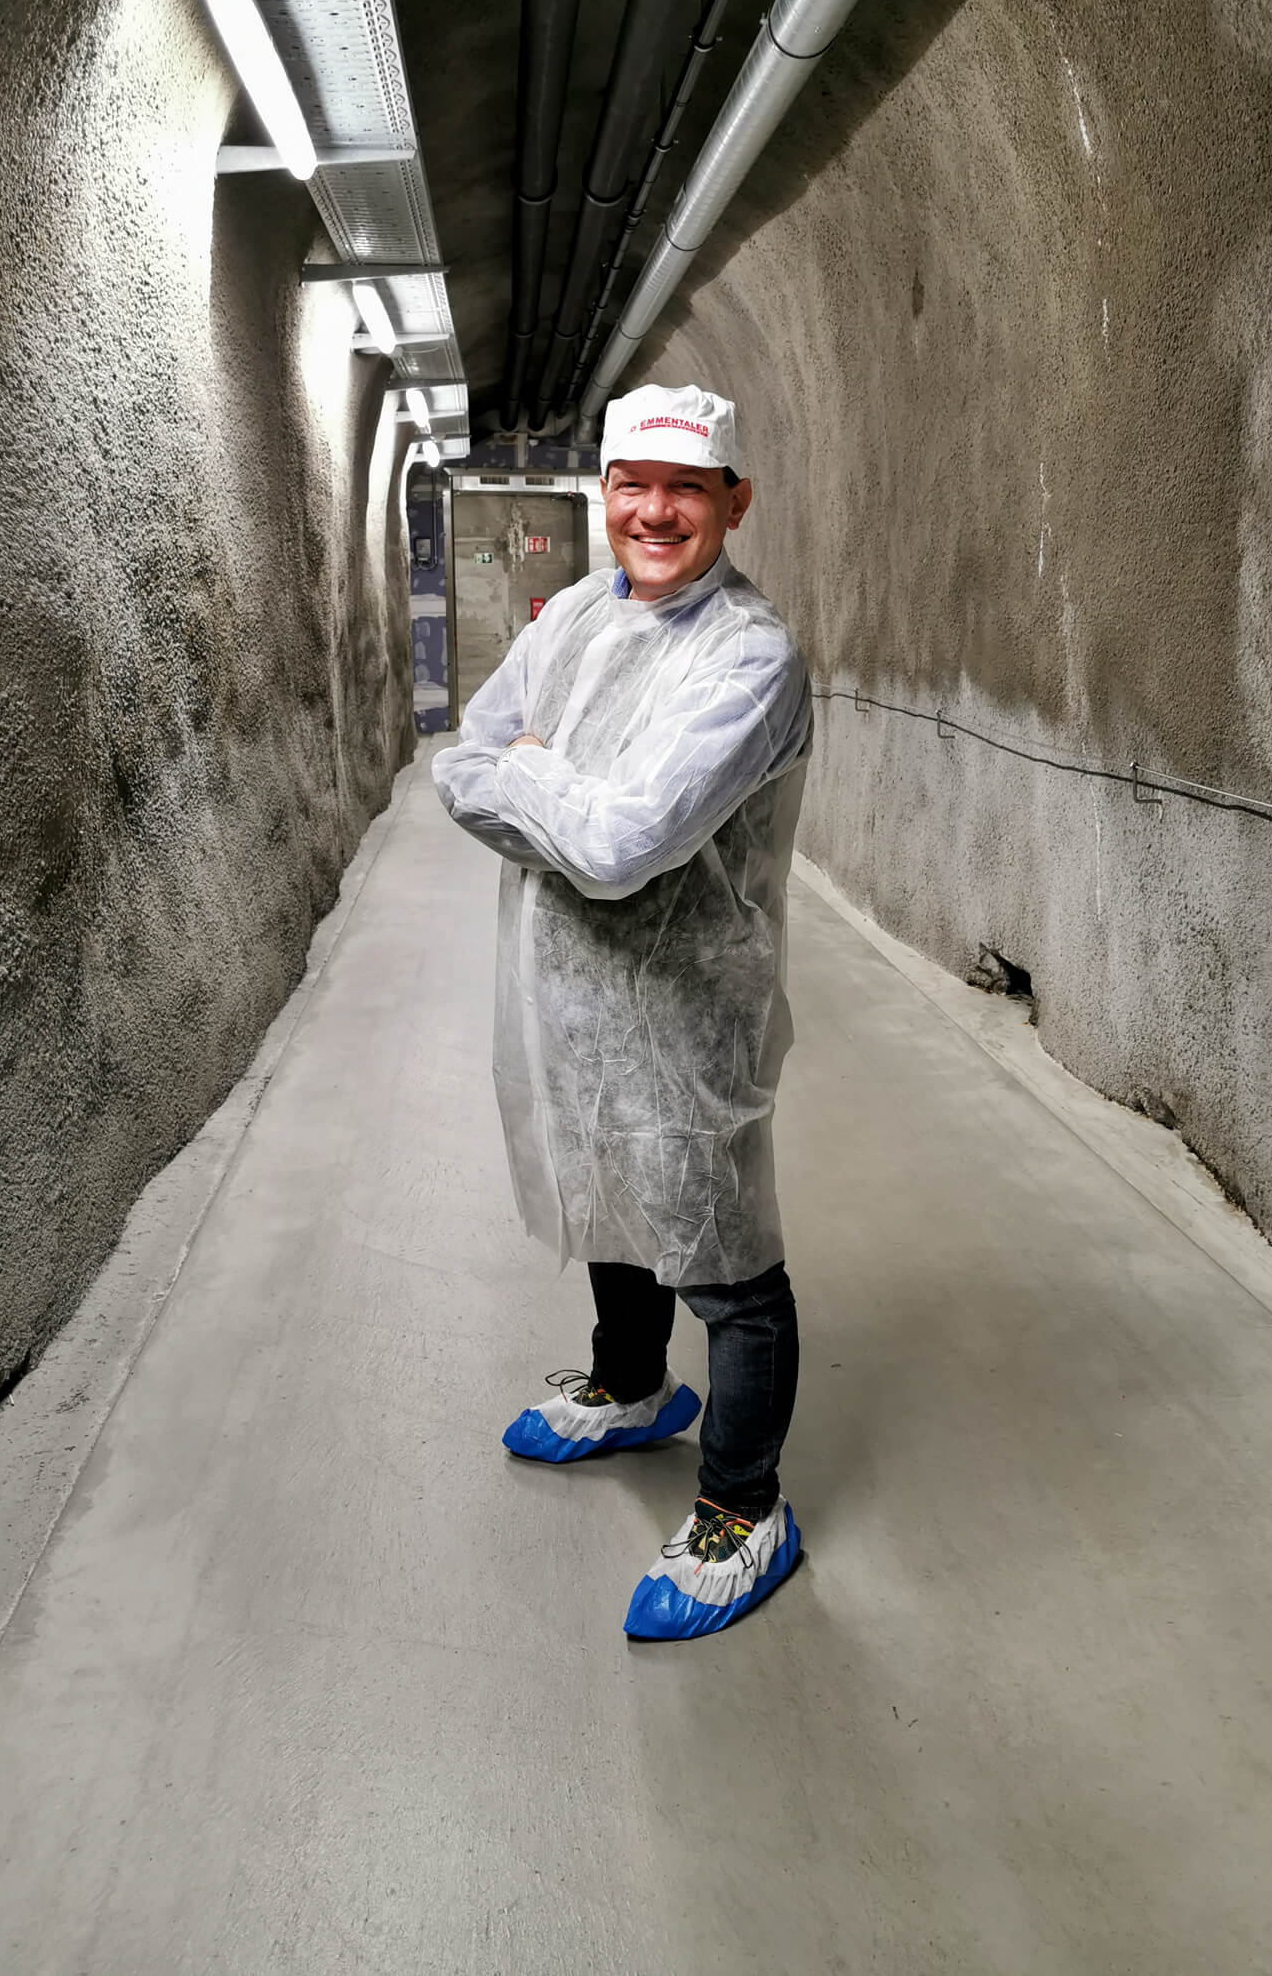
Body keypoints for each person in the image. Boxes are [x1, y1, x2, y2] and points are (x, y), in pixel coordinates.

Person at [432, 382, 812, 1641]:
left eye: (685, 489)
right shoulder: (577, 615)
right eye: (631, 486)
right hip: (566, 988)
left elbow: (623, 848)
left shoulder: (749, 659)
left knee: (723, 1257)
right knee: (602, 1184)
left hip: (685, 998)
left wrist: (536, 771)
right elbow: (457, 766)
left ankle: (742, 1507)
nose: (655, 512)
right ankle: (635, 1386)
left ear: (732, 502)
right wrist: (553, 788)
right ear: (604, 496)